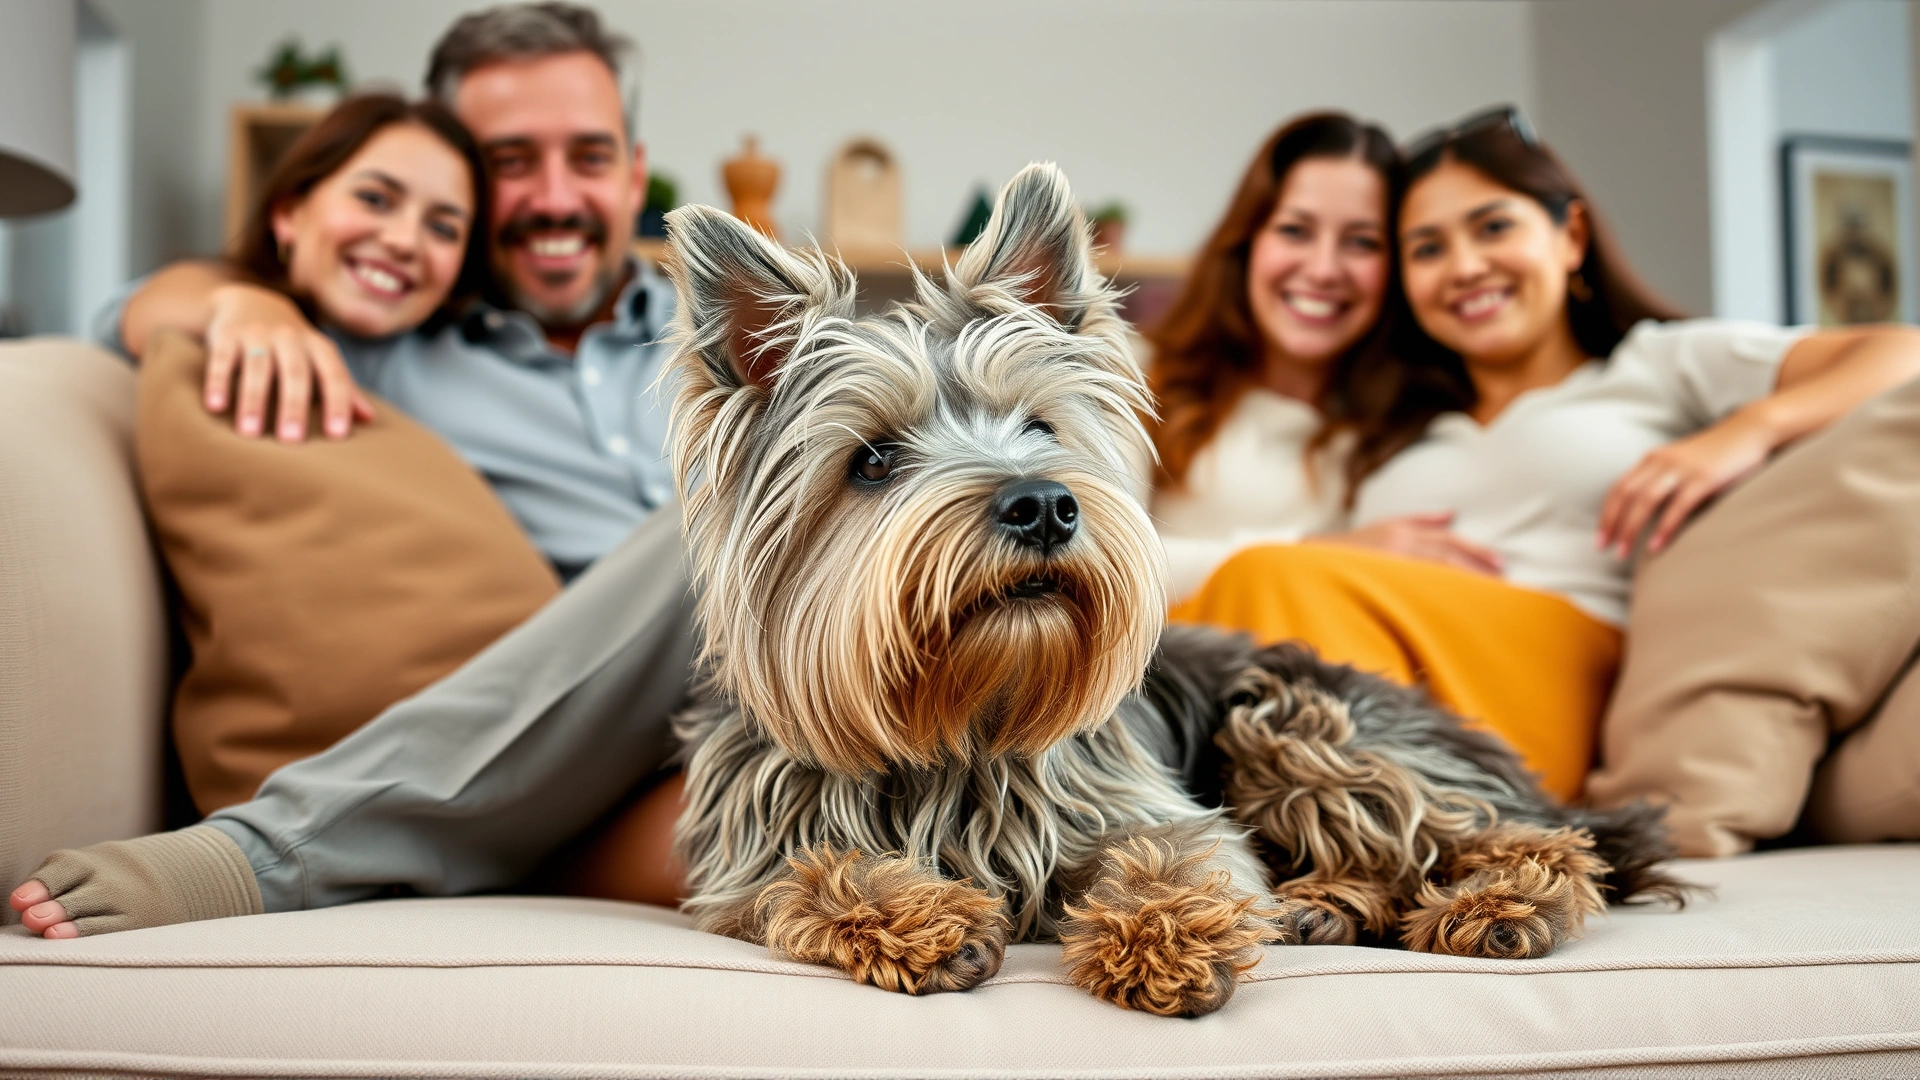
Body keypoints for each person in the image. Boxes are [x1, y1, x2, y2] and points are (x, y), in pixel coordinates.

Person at [12, 1, 698, 939]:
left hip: (814, 682)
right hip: (598, 745)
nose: (553, 196)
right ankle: (279, 850)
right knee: (733, 521)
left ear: (631, 173)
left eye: (586, 157)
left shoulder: (728, 337)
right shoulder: (392, 348)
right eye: (510, 163)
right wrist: (242, 309)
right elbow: (130, 316)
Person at [1173, 105, 1920, 801]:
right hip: (1377, 675)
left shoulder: (1653, 364)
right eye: (1428, 248)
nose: (1464, 267)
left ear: (1571, 238)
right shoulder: (1397, 425)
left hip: (1553, 672)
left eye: (1493, 228)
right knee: (1211, 627)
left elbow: (1899, 354)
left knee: (1271, 580)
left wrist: (1748, 430)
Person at [1144, 112, 1503, 603]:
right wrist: (1321, 554)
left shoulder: (1414, 430)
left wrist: (1651, 445)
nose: (1323, 269)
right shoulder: (1138, 376)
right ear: (1247, 243)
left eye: (1361, 242)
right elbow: (1095, 560)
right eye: (1295, 230)